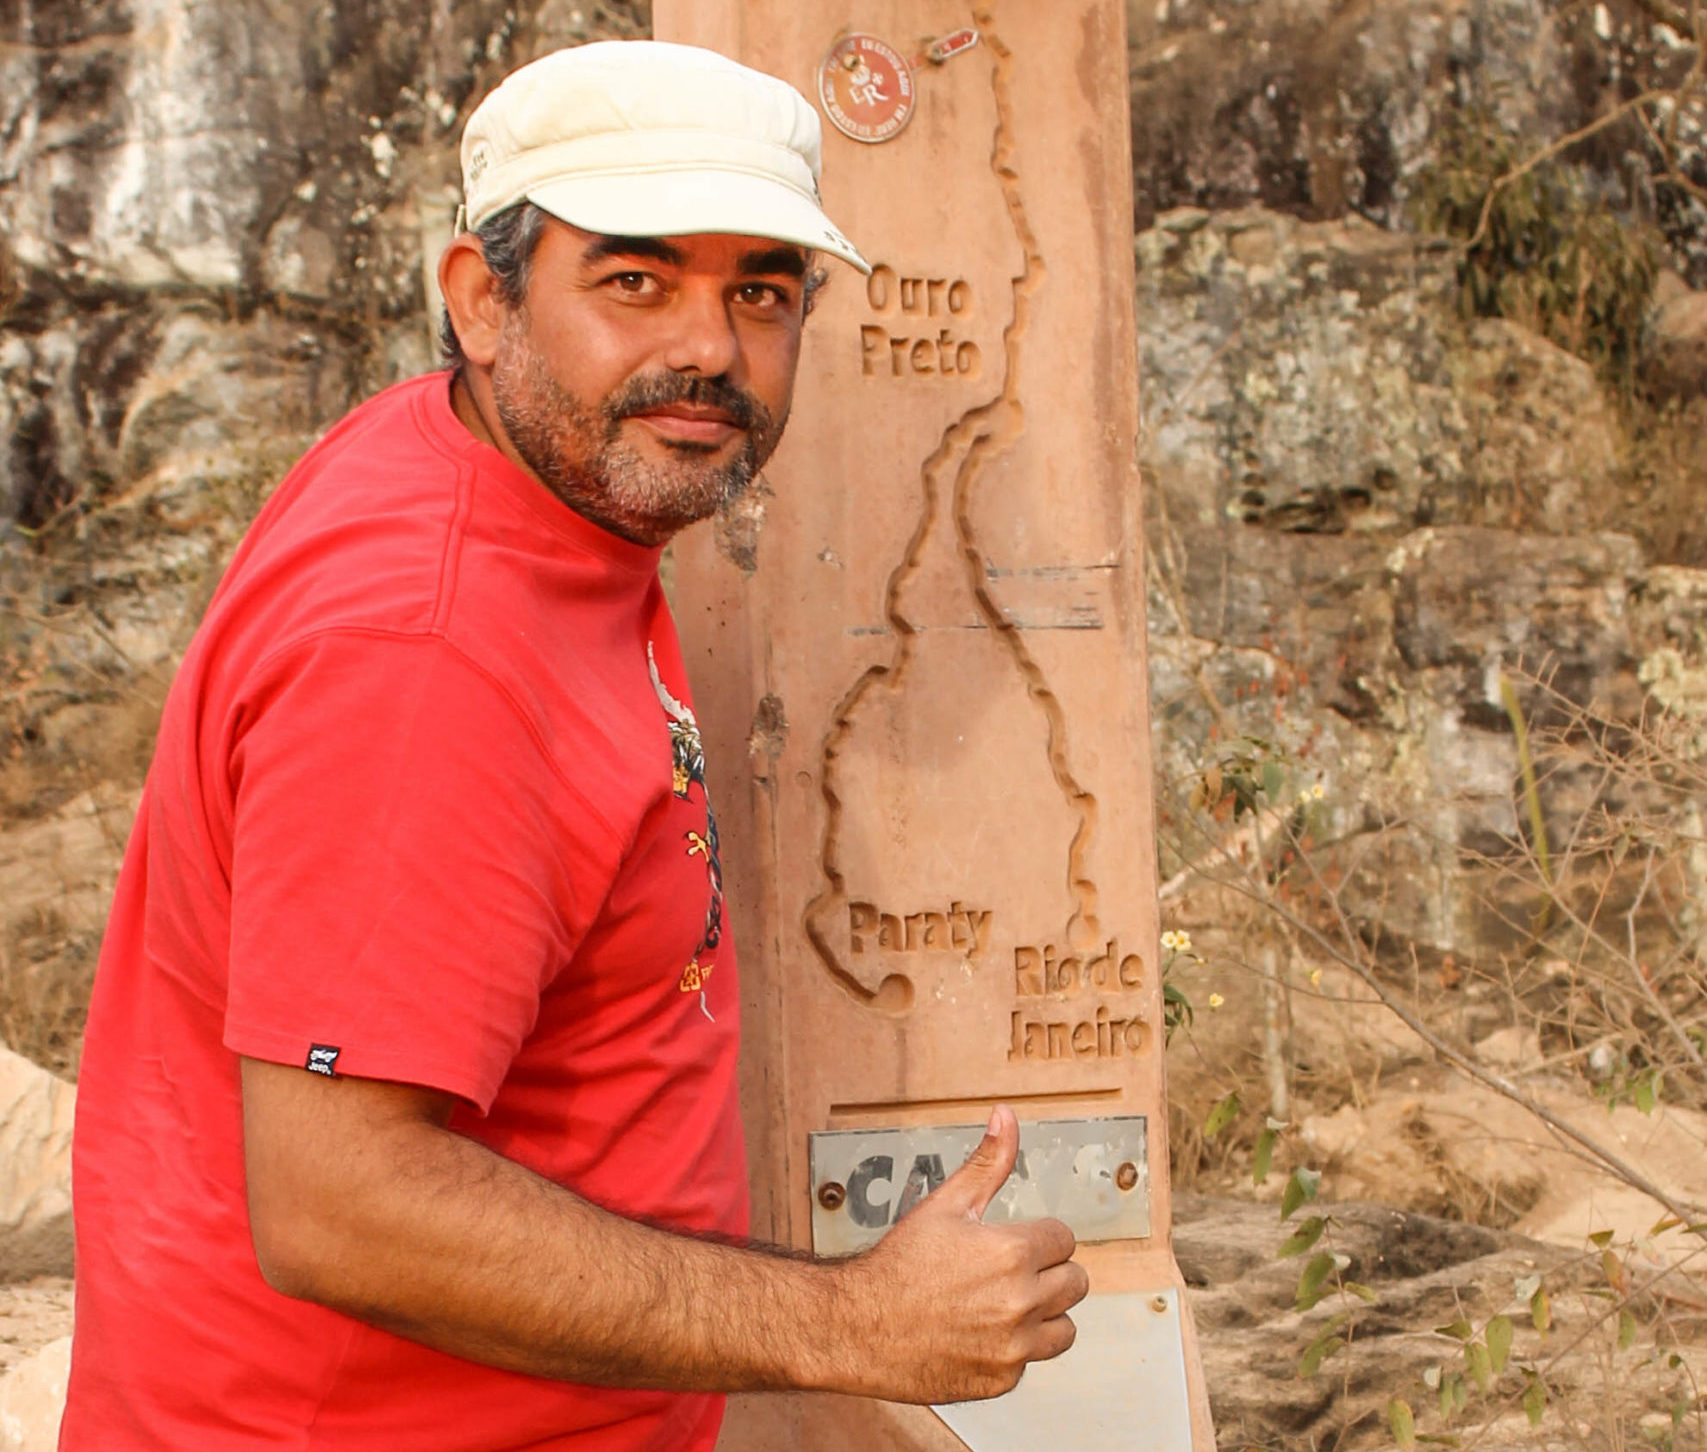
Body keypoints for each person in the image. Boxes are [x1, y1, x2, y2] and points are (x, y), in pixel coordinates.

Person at [60, 40, 1087, 1452]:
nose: (711, 350)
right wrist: (851, 1326)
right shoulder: (426, 655)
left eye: (762, 292)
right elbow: (341, 1208)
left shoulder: (505, 481)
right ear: (482, 301)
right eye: (635, 280)